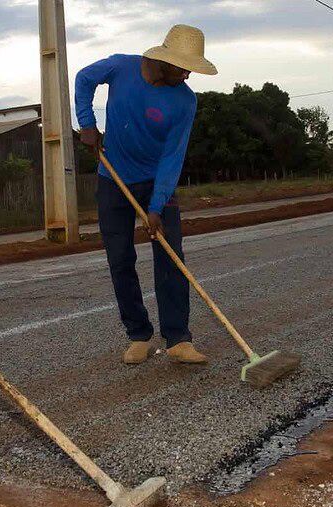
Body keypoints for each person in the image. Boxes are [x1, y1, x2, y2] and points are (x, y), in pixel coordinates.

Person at [74, 25, 216, 366]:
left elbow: (173, 157)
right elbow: (83, 78)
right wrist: (87, 124)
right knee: (120, 259)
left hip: (156, 183)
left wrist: (155, 208)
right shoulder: (121, 67)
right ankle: (139, 335)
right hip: (113, 180)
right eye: (183, 66)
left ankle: (178, 339)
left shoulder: (185, 101)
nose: (187, 74)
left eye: (191, 68)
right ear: (163, 60)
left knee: (171, 256)